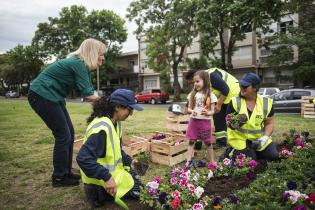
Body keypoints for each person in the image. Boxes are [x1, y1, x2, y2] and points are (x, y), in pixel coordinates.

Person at [28, 38, 105, 187]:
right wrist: (108, 103)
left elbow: (87, 91)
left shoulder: (80, 65)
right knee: (63, 135)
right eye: (101, 54)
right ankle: (59, 177)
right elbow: (88, 95)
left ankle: (66, 172)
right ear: (93, 53)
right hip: (42, 94)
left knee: (69, 132)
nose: (103, 58)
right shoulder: (78, 64)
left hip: (53, 96)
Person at [76, 89, 143, 209]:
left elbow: (116, 151)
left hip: (107, 176)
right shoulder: (103, 128)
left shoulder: (115, 123)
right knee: (138, 191)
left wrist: (131, 161)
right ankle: (98, 197)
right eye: (129, 109)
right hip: (98, 183)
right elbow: (83, 158)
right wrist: (107, 178)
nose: (131, 113)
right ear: (117, 107)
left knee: (137, 181)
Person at [226, 72, 278, 161]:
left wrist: (265, 138)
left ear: (255, 88)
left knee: (273, 156)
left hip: (259, 139)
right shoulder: (234, 102)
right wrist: (238, 121)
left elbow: (270, 123)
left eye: (245, 86)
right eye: (240, 85)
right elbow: (229, 124)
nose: (241, 88)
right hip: (240, 139)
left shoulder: (267, 103)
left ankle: (254, 152)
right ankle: (231, 151)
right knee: (250, 161)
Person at [185, 67, 240, 147]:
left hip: (233, 94)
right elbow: (193, 94)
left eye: (193, 82)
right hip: (224, 96)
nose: (194, 84)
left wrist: (219, 105)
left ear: (195, 76)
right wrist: (187, 108)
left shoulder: (211, 76)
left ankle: (237, 141)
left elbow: (225, 89)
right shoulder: (200, 80)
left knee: (232, 119)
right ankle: (221, 142)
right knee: (218, 117)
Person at [185, 70, 217, 165]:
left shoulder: (211, 95)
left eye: (198, 81)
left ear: (205, 81)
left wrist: (207, 113)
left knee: (208, 143)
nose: (195, 84)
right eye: (194, 82)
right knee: (191, 141)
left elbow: (213, 111)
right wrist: (192, 111)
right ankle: (188, 161)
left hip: (204, 122)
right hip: (193, 121)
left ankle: (212, 161)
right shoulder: (192, 94)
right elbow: (189, 109)